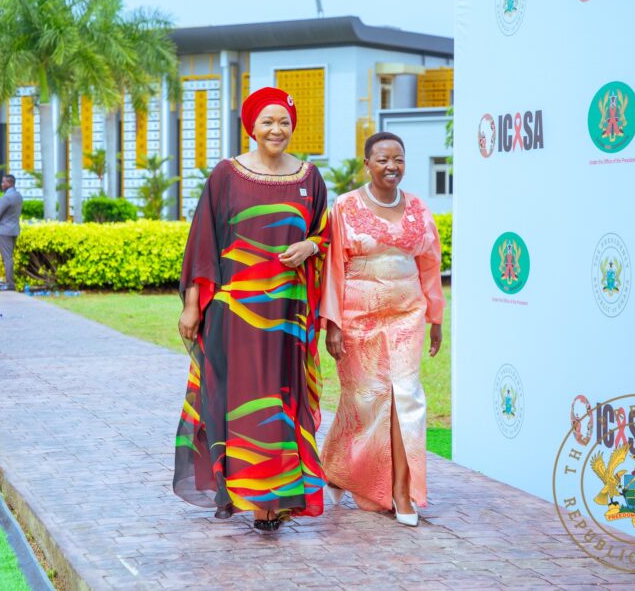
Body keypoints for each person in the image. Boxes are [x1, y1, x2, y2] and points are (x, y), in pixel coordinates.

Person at [173, 87, 329, 532]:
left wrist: (310, 246)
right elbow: (203, 241)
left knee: (280, 400)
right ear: (251, 127)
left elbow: (324, 232)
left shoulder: (309, 177)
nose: (276, 130)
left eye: (284, 122)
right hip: (234, 312)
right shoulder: (227, 174)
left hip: (287, 315)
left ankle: (271, 500)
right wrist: (192, 306)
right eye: (267, 122)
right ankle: (248, 492)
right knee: (240, 400)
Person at [320, 132, 445, 527]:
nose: (392, 166)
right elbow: (333, 268)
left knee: (405, 397)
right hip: (358, 318)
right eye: (383, 159)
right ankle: (339, 468)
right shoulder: (345, 207)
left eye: (399, 159)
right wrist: (333, 324)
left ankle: (401, 492)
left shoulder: (419, 208)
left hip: (407, 315)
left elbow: (430, 264)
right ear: (367, 165)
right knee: (364, 401)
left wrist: (436, 317)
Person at [0, 174, 22, 291]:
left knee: (7, 258)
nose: (2, 184)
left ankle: (9, 284)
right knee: (9, 257)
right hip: (14, 229)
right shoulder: (18, 196)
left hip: (4, 231)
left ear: (9, 183)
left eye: (3, 182)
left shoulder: (6, 198)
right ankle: (10, 283)